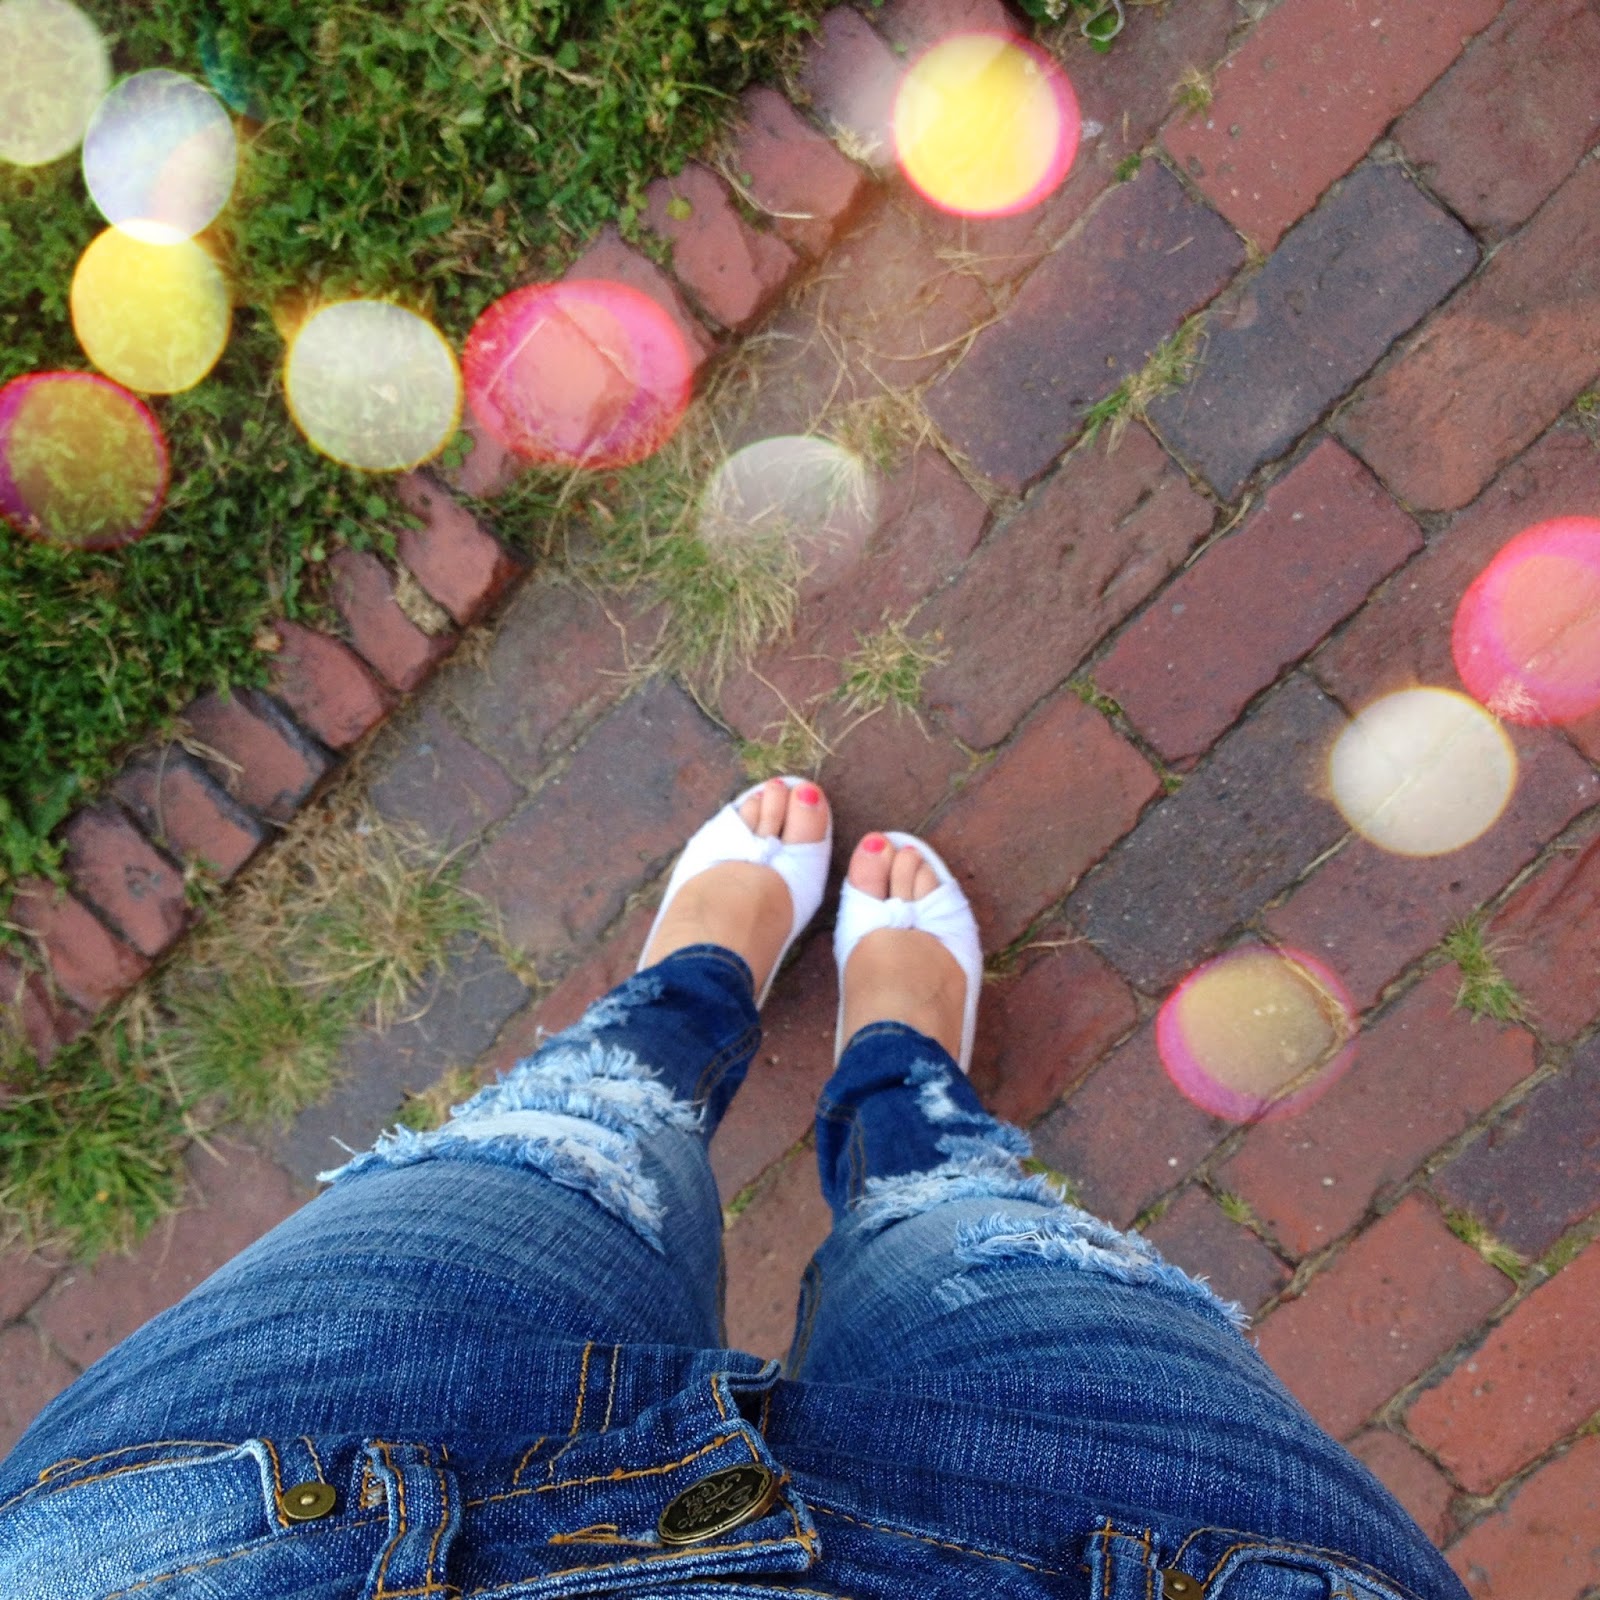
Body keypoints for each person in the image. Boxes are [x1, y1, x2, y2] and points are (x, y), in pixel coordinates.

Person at [0, 775, 1468, 1599]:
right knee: (970, 1237)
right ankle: (901, 1086)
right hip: (1136, 1559)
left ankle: (686, 999)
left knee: (572, 1151)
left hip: (274, 1534)